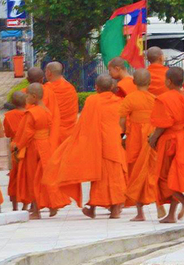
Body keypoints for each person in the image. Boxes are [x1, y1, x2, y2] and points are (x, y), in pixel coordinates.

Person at [47, 75, 126, 219]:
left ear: (96, 88)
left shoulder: (92, 100)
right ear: (112, 88)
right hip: (114, 143)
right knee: (115, 177)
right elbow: (123, 123)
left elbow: (84, 124)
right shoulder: (119, 101)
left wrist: (76, 142)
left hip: (97, 144)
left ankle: (94, 208)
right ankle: (113, 209)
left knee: (97, 176)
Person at [149, 67, 184, 223]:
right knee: (177, 177)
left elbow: (163, 123)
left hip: (168, 140)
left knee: (164, 176)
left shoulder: (163, 99)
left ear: (168, 81)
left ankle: (183, 199)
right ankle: (171, 215)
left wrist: (153, 138)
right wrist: (183, 131)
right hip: (183, 138)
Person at [26, 67, 74, 212]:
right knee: (48, 173)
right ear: (42, 78)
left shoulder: (33, 97)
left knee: (35, 175)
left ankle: (38, 205)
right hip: (53, 137)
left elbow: (26, 123)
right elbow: (56, 117)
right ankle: (49, 202)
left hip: (35, 142)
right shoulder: (61, 91)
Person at [12, 83, 55, 219]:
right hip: (46, 145)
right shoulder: (47, 111)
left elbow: (27, 133)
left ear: (34, 96)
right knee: (45, 177)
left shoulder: (32, 113)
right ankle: (52, 205)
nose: (26, 97)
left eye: (27, 95)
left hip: (34, 147)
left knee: (33, 179)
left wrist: (17, 146)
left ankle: (36, 210)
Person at [120, 69, 158, 221]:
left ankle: (140, 212)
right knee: (151, 170)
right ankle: (157, 203)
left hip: (135, 137)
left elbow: (122, 119)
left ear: (133, 82)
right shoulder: (154, 98)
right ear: (150, 82)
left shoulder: (130, 98)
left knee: (136, 171)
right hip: (151, 137)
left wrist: (123, 133)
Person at [44, 62, 79, 138]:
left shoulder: (47, 89)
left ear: (49, 73)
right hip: (70, 132)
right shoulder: (70, 88)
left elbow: (43, 112)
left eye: (45, 71)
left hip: (53, 132)